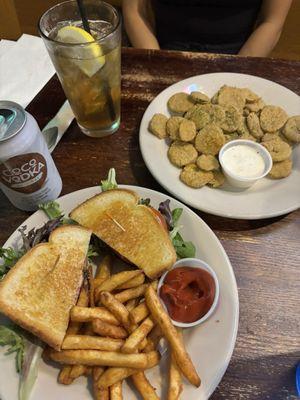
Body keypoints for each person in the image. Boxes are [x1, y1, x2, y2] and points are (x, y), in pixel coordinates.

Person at [122, 0, 292, 57]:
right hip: (161, 51)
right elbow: (135, 11)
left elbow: (272, 22)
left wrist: (235, 75)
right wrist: (158, 63)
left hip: (239, 56)